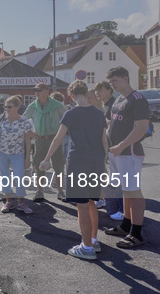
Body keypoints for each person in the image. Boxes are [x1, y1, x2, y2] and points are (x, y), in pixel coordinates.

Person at [41, 80, 108, 260]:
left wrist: (46, 159)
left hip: (79, 161)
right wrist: (106, 162)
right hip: (96, 161)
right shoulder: (99, 113)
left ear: (71, 95)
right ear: (87, 93)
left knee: (82, 205)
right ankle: (93, 240)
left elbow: (57, 139)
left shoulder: (71, 114)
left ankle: (86, 248)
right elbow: (104, 141)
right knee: (92, 202)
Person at [104, 66, 149, 249]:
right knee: (125, 190)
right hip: (116, 153)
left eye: (114, 81)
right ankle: (125, 225)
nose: (112, 85)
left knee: (134, 191)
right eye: (110, 82)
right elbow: (110, 123)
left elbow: (140, 128)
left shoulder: (137, 99)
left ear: (125, 78)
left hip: (129, 153)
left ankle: (136, 234)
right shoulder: (118, 100)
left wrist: (121, 145)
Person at [23, 83, 67, 202]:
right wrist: (30, 132)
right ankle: (40, 191)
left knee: (58, 166)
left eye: (39, 90)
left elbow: (67, 120)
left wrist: (63, 134)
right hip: (40, 139)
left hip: (55, 139)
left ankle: (60, 191)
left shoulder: (57, 105)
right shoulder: (33, 106)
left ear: (47, 91)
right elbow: (23, 120)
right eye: (35, 90)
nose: (36, 92)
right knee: (39, 166)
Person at [0, 96, 34, 214]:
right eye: (5, 106)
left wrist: (28, 157)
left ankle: (21, 202)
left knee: (19, 176)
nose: (7, 109)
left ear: (17, 107)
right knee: (5, 176)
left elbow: (28, 141)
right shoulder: (0, 119)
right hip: (1, 152)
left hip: (17, 153)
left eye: (9, 107)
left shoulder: (24, 121)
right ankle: (8, 201)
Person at [94, 80, 124, 220]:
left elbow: (114, 124)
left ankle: (120, 210)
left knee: (117, 181)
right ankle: (116, 209)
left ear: (108, 90)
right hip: (112, 147)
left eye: (99, 90)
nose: (97, 93)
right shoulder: (106, 105)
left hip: (118, 148)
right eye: (96, 91)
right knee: (114, 180)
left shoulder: (114, 103)